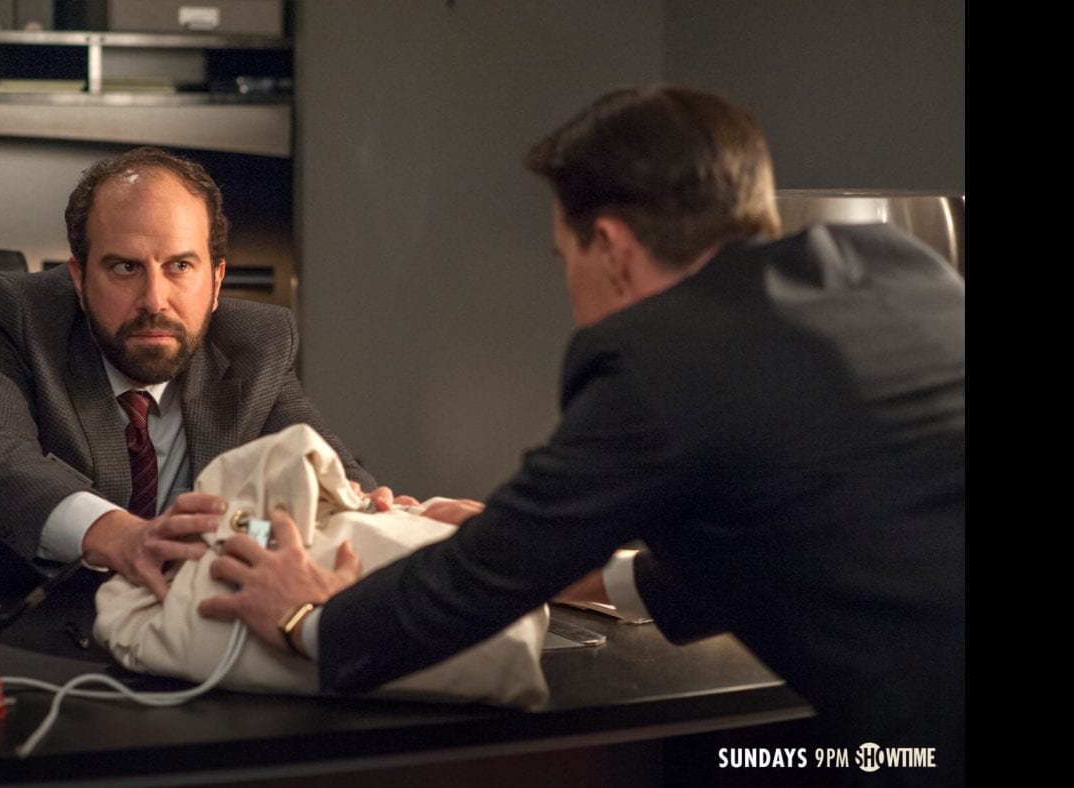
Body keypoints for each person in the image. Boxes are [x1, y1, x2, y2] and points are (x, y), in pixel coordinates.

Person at [197, 85, 965, 773]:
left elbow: (475, 585)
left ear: (615, 250)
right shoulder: (894, 263)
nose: (569, 288)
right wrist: (568, 561)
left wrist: (310, 619)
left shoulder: (661, 361)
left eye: (566, 257)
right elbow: (794, 524)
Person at [0, 146, 378, 614]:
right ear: (79, 279)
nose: (155, 300)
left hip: (163, 645)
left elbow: (328, 471)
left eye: (180, 266)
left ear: (216, 281)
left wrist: (375, 514)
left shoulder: (257, 343)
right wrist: (118, 534)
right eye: (125, 267)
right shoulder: (10, 316)